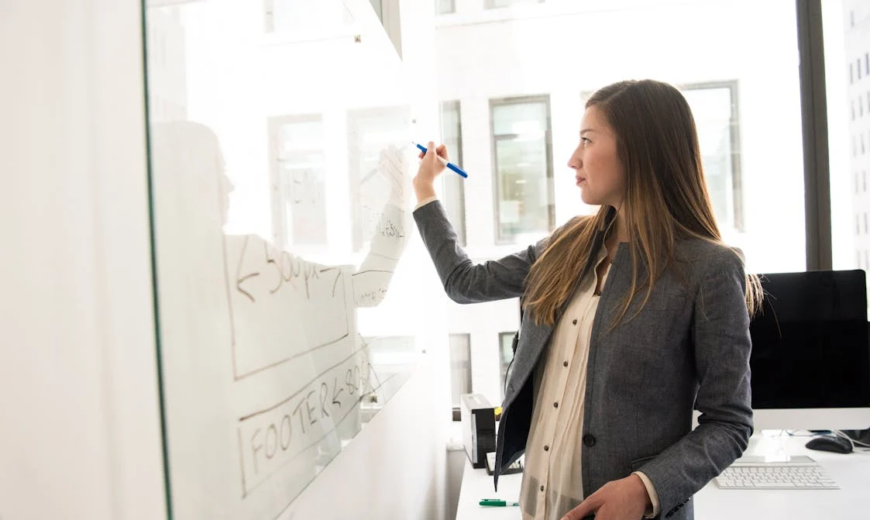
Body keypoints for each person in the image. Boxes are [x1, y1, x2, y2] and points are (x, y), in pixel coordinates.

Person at [412, 79, 761, 520]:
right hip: (537, 503)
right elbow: (464, 282)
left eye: (587, 140)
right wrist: (426, 191)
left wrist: (644, 489)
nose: (573, 159)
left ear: (640, 150)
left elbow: (729, 423)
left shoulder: (707, 268)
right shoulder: (567, 244)